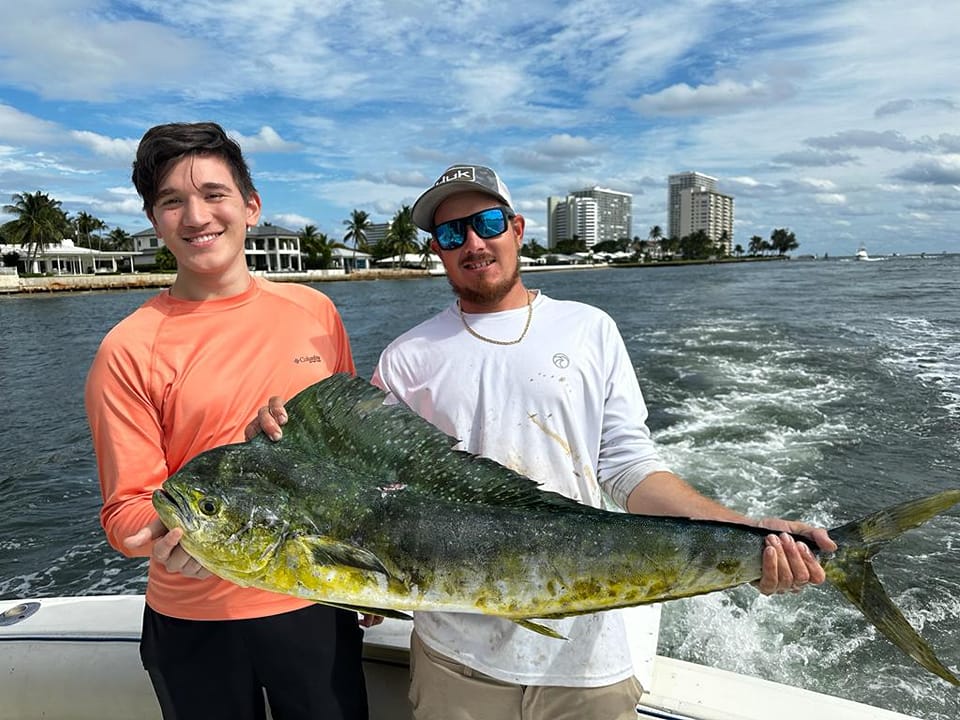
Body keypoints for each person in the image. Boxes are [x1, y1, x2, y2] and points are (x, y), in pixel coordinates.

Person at [253, 164, 836, 720]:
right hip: (457, 660)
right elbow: (366, 491)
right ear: (437, 249)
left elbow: (628, 468)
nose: (473, 244)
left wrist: (746, 530)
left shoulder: (589, 328)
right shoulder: (407, 357)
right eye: (452, 233)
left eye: (486, 224)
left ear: (516, 228)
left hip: (588, 655)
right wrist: (282, 446)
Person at [84, 121, 373, 720]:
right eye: (172, 201)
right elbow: (126, 510)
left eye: (214, 194)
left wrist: (368, 570)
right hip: (195, 620)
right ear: (154, 220)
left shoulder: (315, 311)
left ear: (250, 206)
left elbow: (354, 458)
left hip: (314, 598)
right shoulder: (128, 348)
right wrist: (169, 535)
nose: (196, 217)